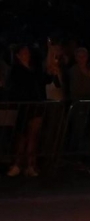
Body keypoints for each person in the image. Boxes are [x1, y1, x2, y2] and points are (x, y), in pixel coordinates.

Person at [6, 44, 49, 177]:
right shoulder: (16, 70)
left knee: (33, 136)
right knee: (22, 136)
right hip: (24, 106)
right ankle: (18, 163)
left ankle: (31, 164)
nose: (27, 54)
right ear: (18, 55)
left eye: (28, 52)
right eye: (24, 52)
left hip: (36, 105)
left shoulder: (35, 69)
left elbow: (43, 81)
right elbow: (15, 88)